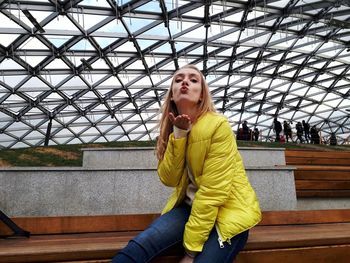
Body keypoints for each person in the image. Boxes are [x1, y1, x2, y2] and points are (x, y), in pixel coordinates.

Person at [112, 65, 261, 263]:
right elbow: (169, 178)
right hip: (189, 209)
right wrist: (179, 135)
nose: (185, 82)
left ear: (201, 95)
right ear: (172, 95)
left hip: (228, 214)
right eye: (178, 79)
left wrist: (190, 252)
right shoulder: (173, 130)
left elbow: (212, 192)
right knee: (139, 247)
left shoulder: (218, 125)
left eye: (193, 80)